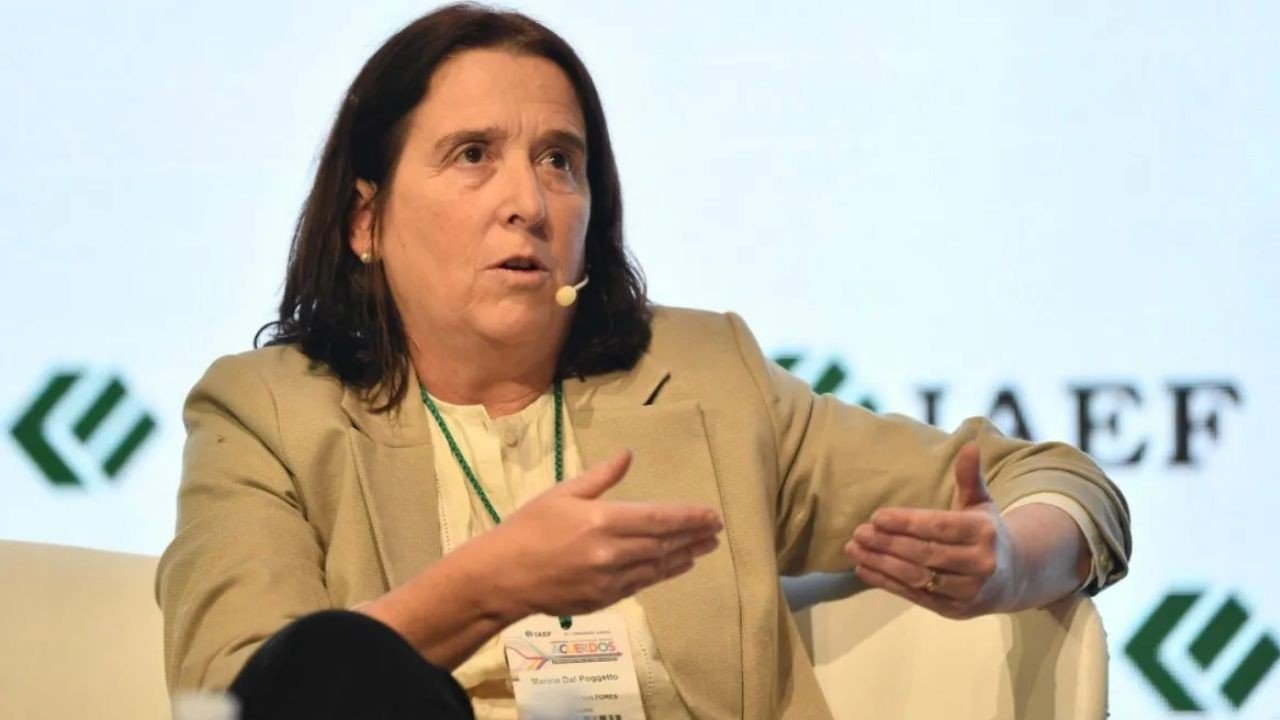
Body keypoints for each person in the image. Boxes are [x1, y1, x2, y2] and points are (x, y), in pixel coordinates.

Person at [156, 4, 1132, 719]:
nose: (527, 203)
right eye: (472, 156)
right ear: (364, 220)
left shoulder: (706, 380)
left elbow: (1055, 480)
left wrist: (1012, 560)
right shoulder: (268, 415)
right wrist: (490, 584)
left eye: (559, 160)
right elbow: (247, 696)